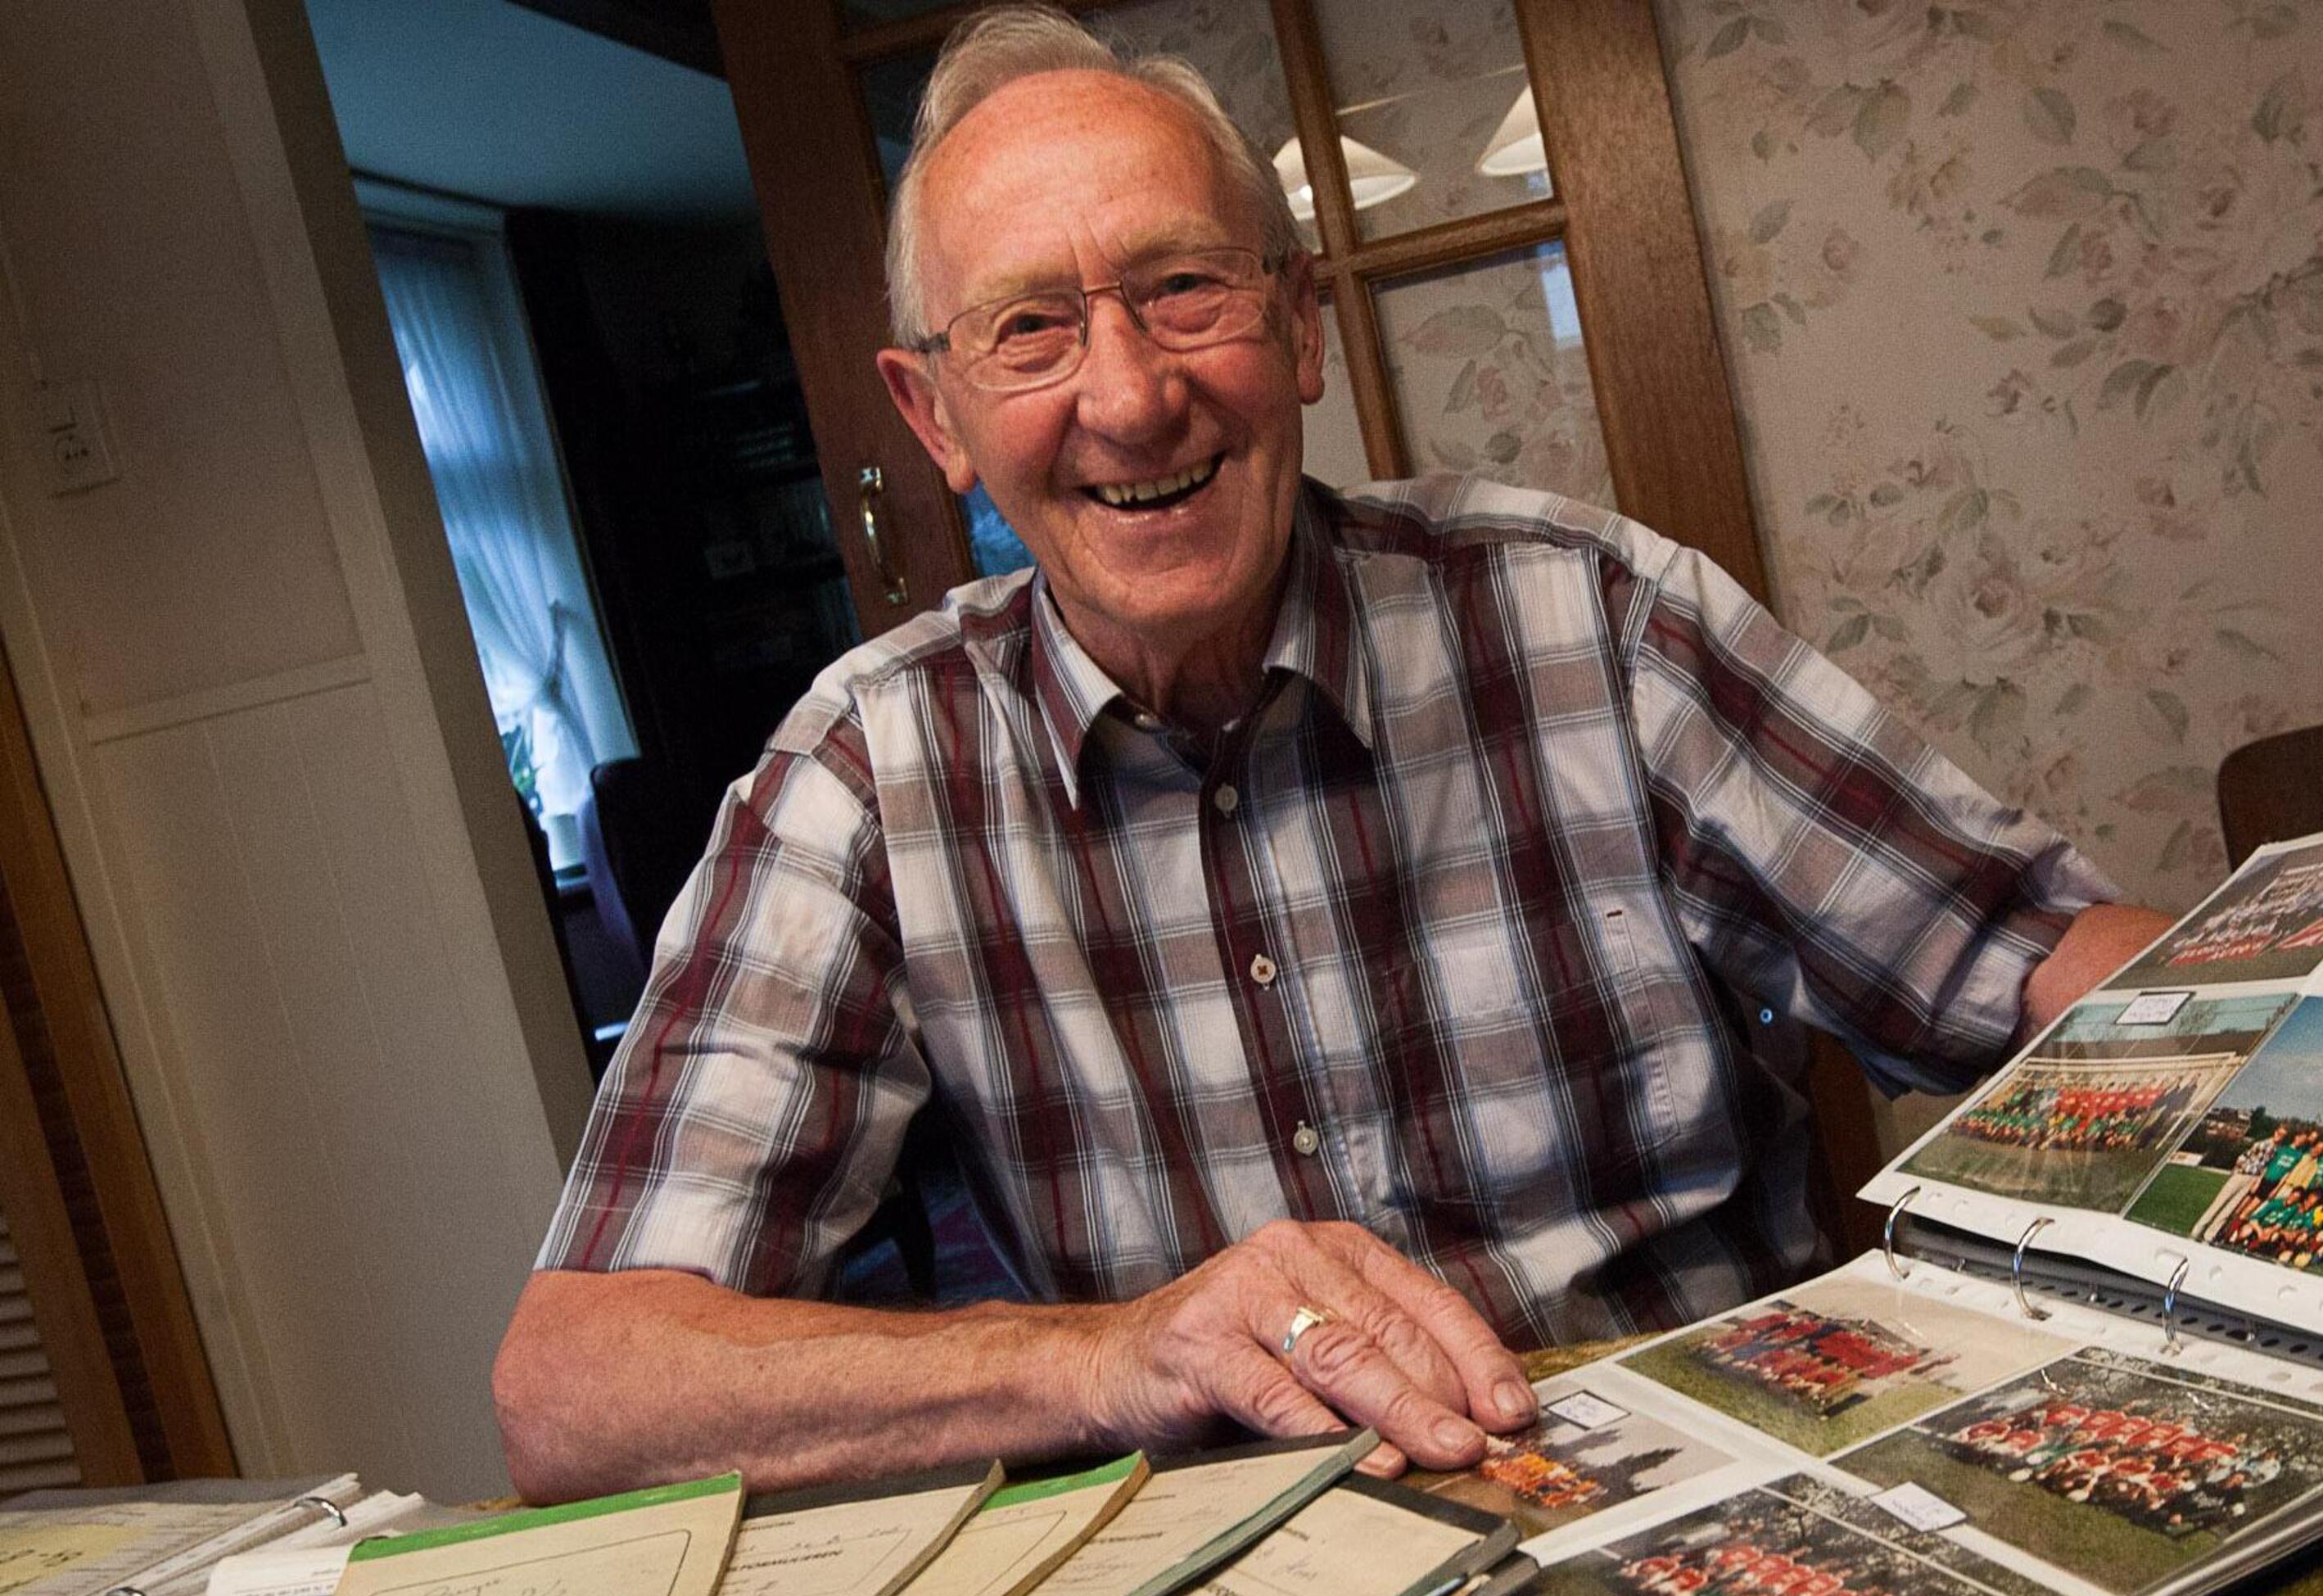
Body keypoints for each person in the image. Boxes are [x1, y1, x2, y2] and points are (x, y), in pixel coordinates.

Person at [490, 5, 2171, 1503]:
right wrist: (1108, 1357)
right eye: (1029, 331)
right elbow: (576, 1389)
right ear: (933, 421)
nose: (1134, 400)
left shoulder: (1586, 615)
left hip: (1730, 1500)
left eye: (1182, 290)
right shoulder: (868, 769)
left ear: (1297, 330)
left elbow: (2043, 967)